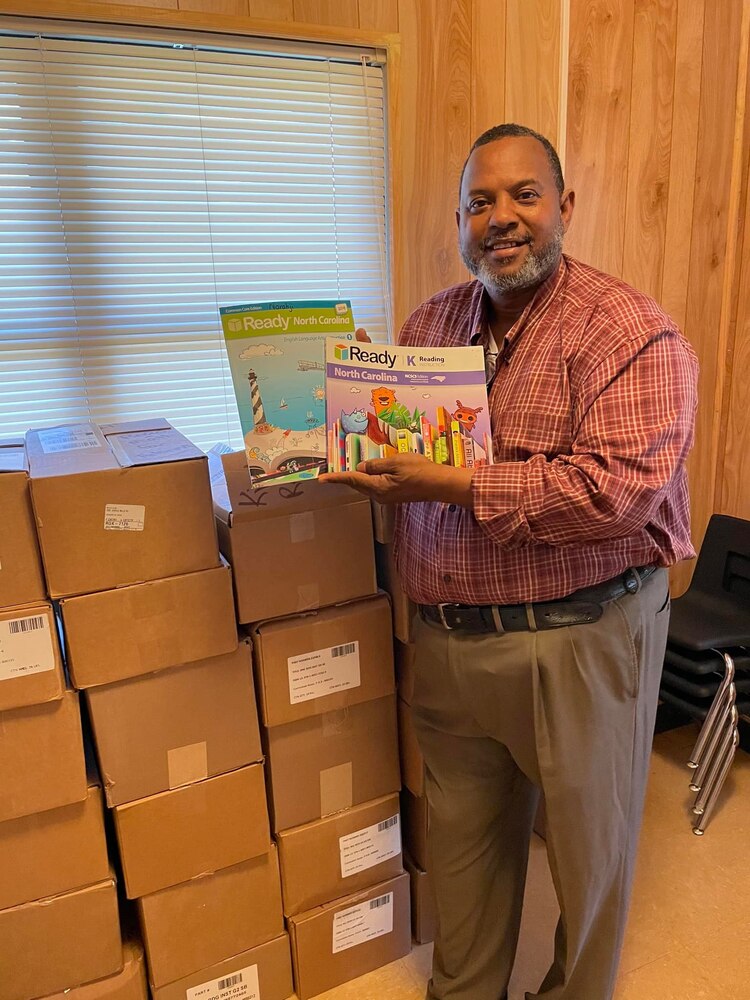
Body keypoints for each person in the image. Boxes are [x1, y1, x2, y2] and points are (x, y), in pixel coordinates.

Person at [320, 122, 698, 1000]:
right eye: (479, 202)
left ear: (564, 207)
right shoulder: (432, 324)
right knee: (463, 853)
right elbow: (404, 454)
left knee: (587, 858)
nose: (502, 219)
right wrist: (348, 460)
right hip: (450, 645)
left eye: (524, 196)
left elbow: (614, 494)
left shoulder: (630, 332)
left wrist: (448, 484)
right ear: (458, 221)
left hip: (579, 641)